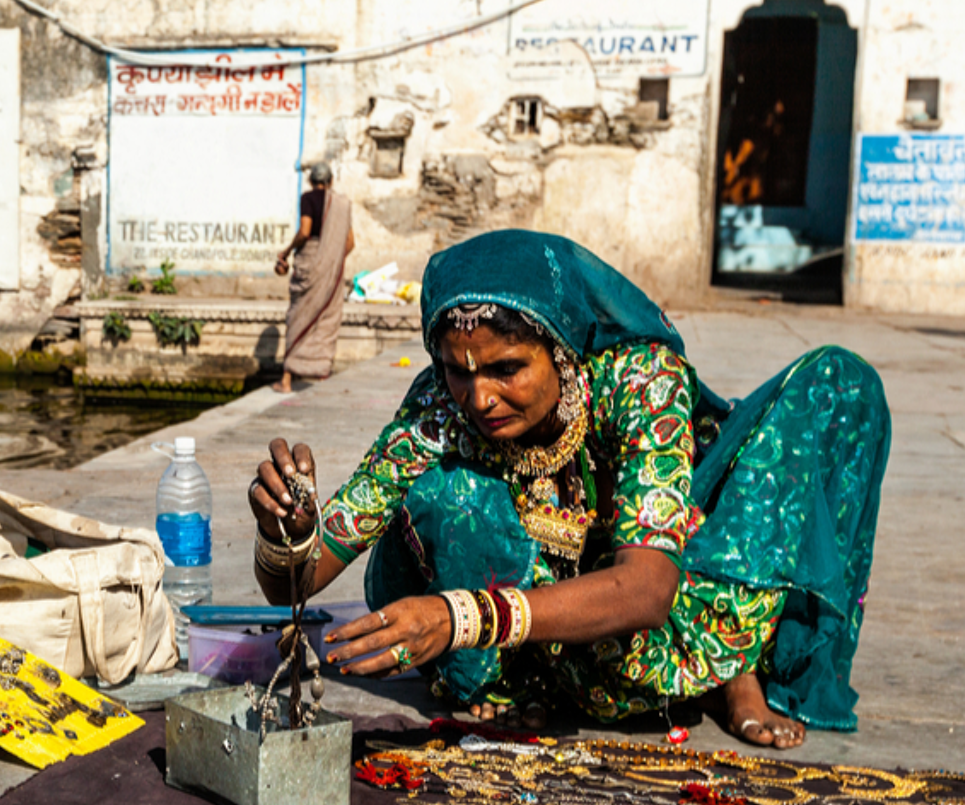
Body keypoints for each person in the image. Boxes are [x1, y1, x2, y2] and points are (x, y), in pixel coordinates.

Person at [248, 230, 890, 749]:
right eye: (456, 372)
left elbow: (648, 588)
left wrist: (461, 616)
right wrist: (287, 532)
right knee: (450, 498)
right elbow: (296, 584)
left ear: (561, 352)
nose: (481, 398)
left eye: (508, 369)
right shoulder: (437, 409)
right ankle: (528, 683)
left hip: (641, 605)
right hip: (526, 639)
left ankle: (732, 673)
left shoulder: (642, 382)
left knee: (833, 389)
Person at [273, 162, 355, 394]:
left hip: (309, 262)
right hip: (330, 268)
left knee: (298, 316)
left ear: (311, 181)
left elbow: (305, 231)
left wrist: (288, 250)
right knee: (326, 320)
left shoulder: (308, 198)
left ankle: (287, 380)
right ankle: (321, 377)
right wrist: (331, 260)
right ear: (330, 182)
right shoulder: (340, 205)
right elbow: (350, 243)